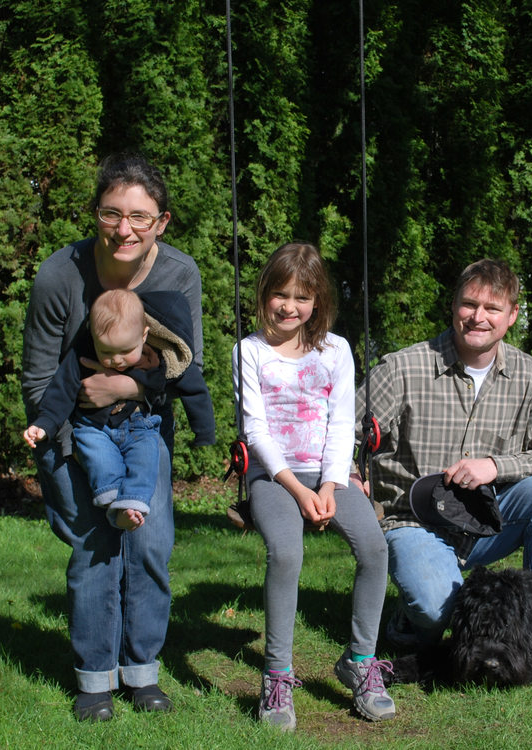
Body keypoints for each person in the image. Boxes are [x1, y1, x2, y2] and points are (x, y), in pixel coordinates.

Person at [22, 153, 207, 721]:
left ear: (162, 222)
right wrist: (73, 448)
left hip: (144, 433)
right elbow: (37, 380)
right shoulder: (59, 276)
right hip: (69, 435)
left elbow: (180, 370)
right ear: (96, 214)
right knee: (95, 551)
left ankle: (142, 672)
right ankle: (95, 678)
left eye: (139, 216)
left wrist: (119, 389)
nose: (124, 229)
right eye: (111, 213)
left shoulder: (179, 276)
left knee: (148, 547)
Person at [355, 258, 532, 647]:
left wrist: (496, 466)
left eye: (492, 308)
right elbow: (343, 432)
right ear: (454, 305)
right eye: (469, 304)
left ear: (511, 316)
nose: (478, 317)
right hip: (413, 521)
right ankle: (412, 616)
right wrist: (349, 477)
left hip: (486, 520)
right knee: (436, 610)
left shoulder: (530, 376)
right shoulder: (403, 368)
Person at [232, 242, 394, 731]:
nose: (289, 306)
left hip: (330, 471)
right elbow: (254, 430)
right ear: (264, 293)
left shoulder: (336, 350)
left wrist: (330, 483)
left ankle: (360, 661)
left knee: (374, 549)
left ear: (318, 301)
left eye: (302, 297)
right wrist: (299, 492)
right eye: (280, 294)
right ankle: (278, 675)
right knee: (285, 553)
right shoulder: (249, 351)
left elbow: (342, 422)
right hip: (273, 476)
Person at [23, 288, 214, 532]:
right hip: (95, 427)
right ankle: (113, 498)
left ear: (144, 335)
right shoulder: (83, 352)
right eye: (106, 352)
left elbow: (193, 387)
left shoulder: (158, 356)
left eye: (125, 351)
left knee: (146, 460)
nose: (116, 360)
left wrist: (204, 430)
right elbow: (62, 388)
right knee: (96, 455)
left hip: (140, 426)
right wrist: (45, 423)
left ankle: (132, 504)